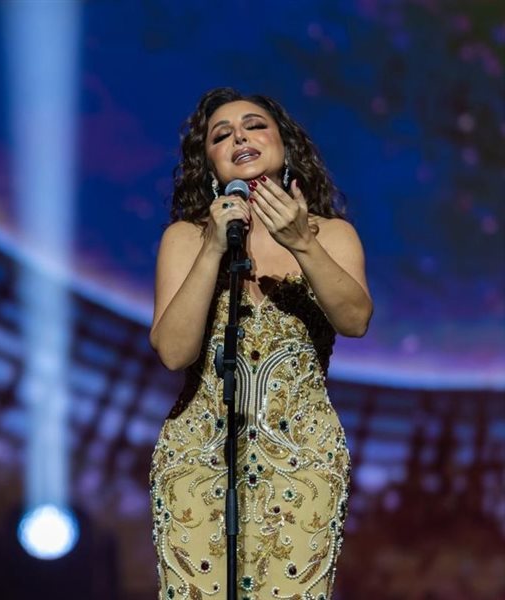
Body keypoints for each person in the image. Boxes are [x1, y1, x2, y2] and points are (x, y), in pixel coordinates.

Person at [149, 88, 373, 600]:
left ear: (285, 145)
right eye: (221, 135)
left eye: (254, 126)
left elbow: (356, 320)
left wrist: (302, 244)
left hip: (304, 460)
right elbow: (174, 352)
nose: (239, 138)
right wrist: (212, 249)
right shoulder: (185, 238)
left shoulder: (331, 234)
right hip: (198, 459)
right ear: (208, 162)